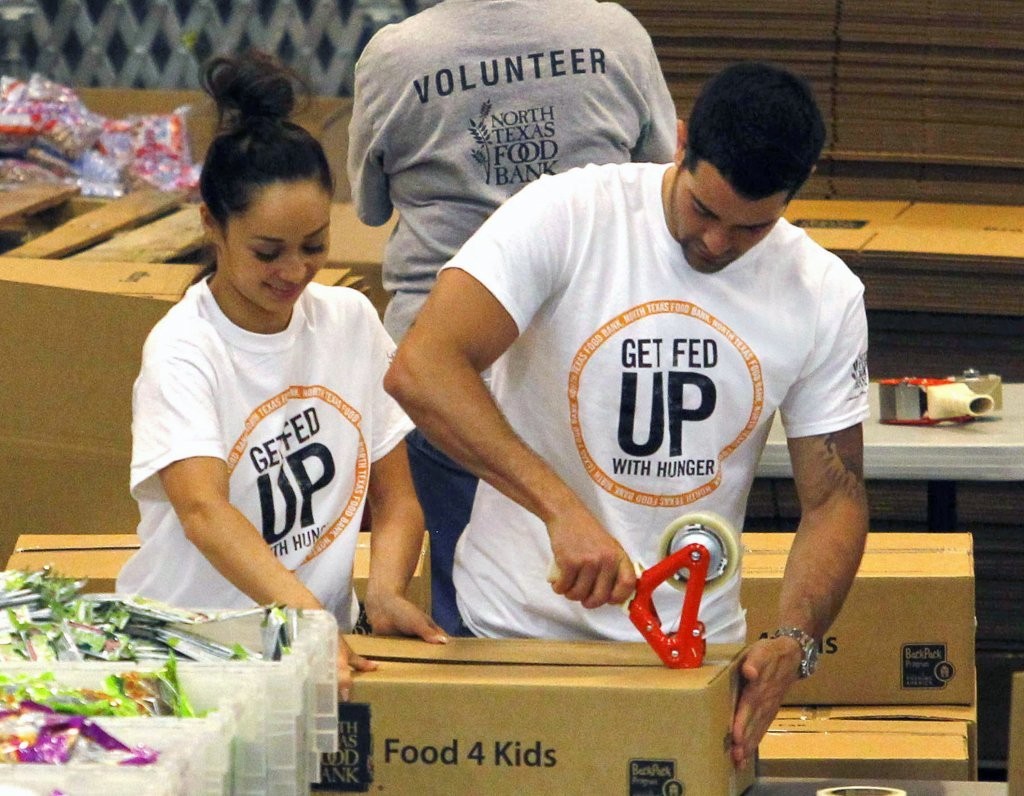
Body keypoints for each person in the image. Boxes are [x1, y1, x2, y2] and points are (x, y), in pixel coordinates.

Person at [384, 61, 870, 767]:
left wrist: (796, 639)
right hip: (512, 640)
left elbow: (835, 498)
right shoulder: (569, 214)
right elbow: (422, 368)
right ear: (678, 143)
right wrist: (560, 510)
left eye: (751, 228)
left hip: (693, 664)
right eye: (704, 210)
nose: (716, 243)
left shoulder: (823, 292)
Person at [116, 50, 446, 697]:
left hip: (305, 647)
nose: (294, 272)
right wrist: (312, 621)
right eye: (268, 252)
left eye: (314, 245)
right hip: (189, 654)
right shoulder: (186, 348)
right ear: (212, 223)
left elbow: (397, 496)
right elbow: (204, 510)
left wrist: (382, 591)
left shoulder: (349, 319)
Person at [347, 0, 678, 634]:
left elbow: (368, 205)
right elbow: (660, 177)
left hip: (444, 377)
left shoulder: (395, 57)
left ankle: (496, 732)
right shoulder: (613, 33)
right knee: (614, 601)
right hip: (590, 369)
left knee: (467, 615)